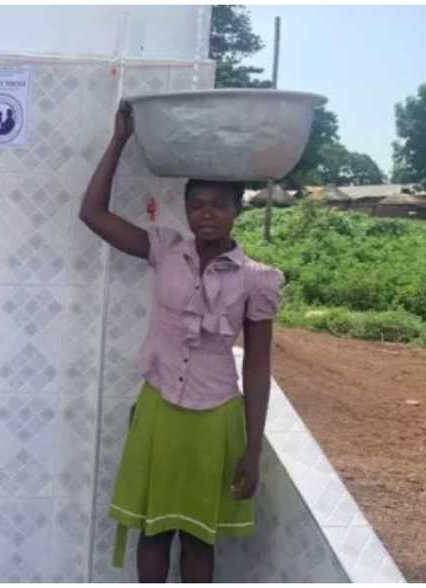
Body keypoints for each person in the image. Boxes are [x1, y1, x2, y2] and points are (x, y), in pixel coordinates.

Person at [78, 102, 283, 582]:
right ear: (186, 210)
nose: (205, 213)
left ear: (237, 211)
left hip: (216, 418)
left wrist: (252, 449)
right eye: (196, 204)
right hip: (159, 407)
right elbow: (92, 213)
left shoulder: (258, 281)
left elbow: (256, 366)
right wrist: (119, 141)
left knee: (197, 537)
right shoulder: (164, 249)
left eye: (218, 204)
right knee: (153, 531)